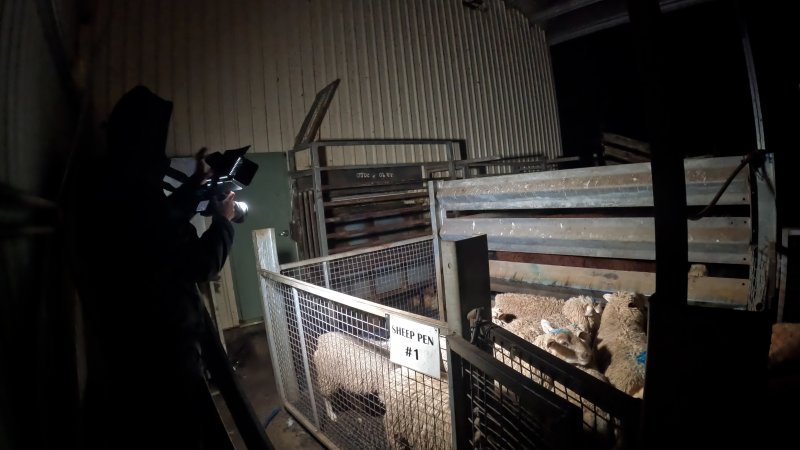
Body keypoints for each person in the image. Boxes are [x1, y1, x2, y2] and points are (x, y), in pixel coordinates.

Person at [76, 86, 235, 449]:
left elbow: (156, 221)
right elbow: (201, 263)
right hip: (162, 352)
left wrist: (195, 185)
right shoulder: (133, 192)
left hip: (127, 346)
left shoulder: (106, 179)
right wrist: (223, 222)